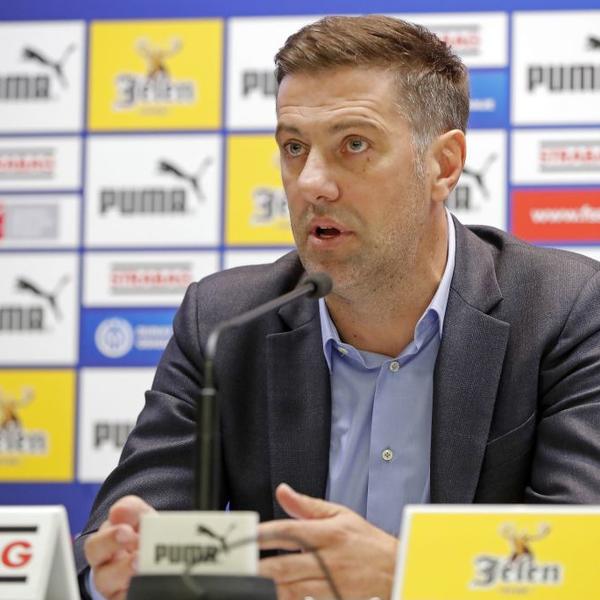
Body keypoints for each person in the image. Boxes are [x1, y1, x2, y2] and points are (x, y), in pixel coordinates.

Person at [75, 15, 600, 600]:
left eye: (354, 145)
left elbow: (582, 562)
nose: (311, 183)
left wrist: (407, 575)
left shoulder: (564, 309)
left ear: (444, 165)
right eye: (294, 147)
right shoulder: (223, 321)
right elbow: (118, 539)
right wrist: (114, 568)